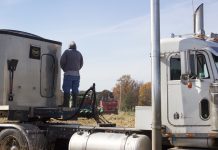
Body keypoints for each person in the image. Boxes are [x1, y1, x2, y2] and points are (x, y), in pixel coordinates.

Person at [60, 41, 83, 107]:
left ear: (69, 46)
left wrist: (64, 69)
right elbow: (81, 63)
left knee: (66, 89)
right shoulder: (79, 53)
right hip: (77, 75)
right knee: (75, 90)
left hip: (68, 74)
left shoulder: (66, 51)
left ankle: (66, 106)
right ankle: (74, 107)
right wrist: (77, 69)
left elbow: (61, 61)